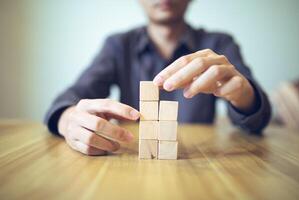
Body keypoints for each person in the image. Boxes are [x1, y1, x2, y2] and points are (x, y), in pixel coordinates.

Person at [45, 0, 271, 155]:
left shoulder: (220, 44)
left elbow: (259, 120)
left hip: (201, 167)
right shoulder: (118, 45)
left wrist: (245, 96)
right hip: (134, 160)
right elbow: (73, 95)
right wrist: (68, 120)